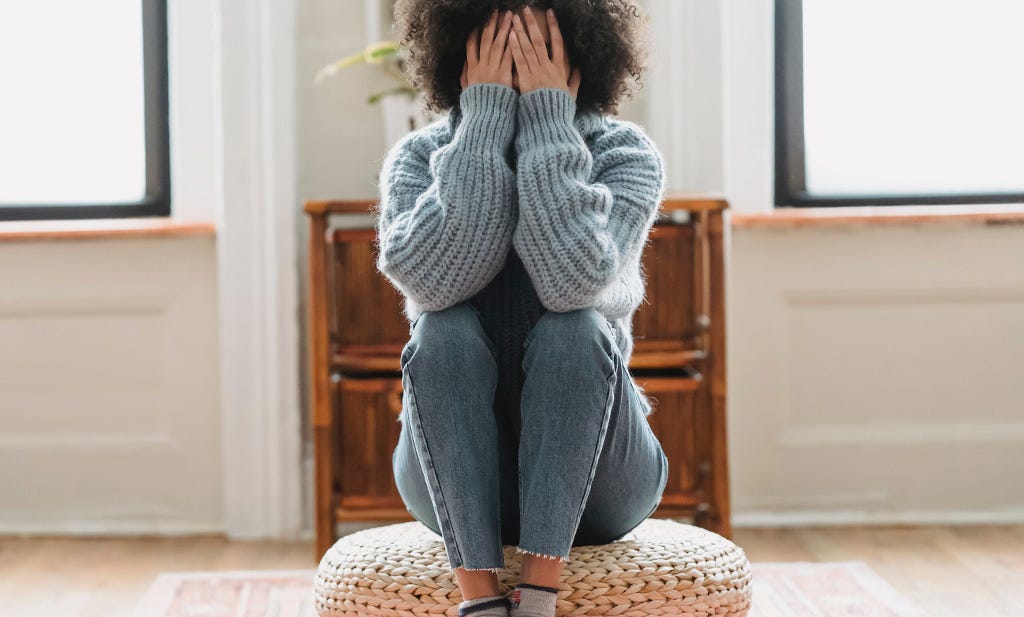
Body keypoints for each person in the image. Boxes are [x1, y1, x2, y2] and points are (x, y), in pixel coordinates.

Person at [373, 3, 668, 616]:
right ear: (459, 55)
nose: (517, 61)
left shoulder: (625, 155)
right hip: (451, 480)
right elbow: (434, 283)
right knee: (442, 328)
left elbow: (573, 281)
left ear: (580, 55)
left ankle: (538, 591)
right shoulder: (415, 159)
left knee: (576, 327)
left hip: (601, 482)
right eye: (497, 45)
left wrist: (548, 124)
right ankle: (479, 598)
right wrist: (481, 126)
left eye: (537, 46)